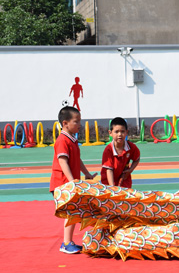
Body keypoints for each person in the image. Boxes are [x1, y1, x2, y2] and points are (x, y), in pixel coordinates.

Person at [50, 106, 97, 254]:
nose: (79, 125)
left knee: (74, 212)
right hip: (62, 183)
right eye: (76, 122)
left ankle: (68, 242)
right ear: (65, 123)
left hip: (70, 183)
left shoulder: (72, 140)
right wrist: (72, 181)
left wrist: (87, 174)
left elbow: (77, 159)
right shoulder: (62, 140)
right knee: (72, 212)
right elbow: (63, 161)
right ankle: (66, 243)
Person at [101, 117, 141, 188]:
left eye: (122, 131)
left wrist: (130, 170)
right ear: (110, 133)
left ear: (126, 132)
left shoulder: (131, 147)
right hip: (109, 181)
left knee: (126, 194)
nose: (120, 134)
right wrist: (112, 187)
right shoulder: (108, 150)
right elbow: (109, 170)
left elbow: (137, 159)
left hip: (124, 180)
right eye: (116, 132)